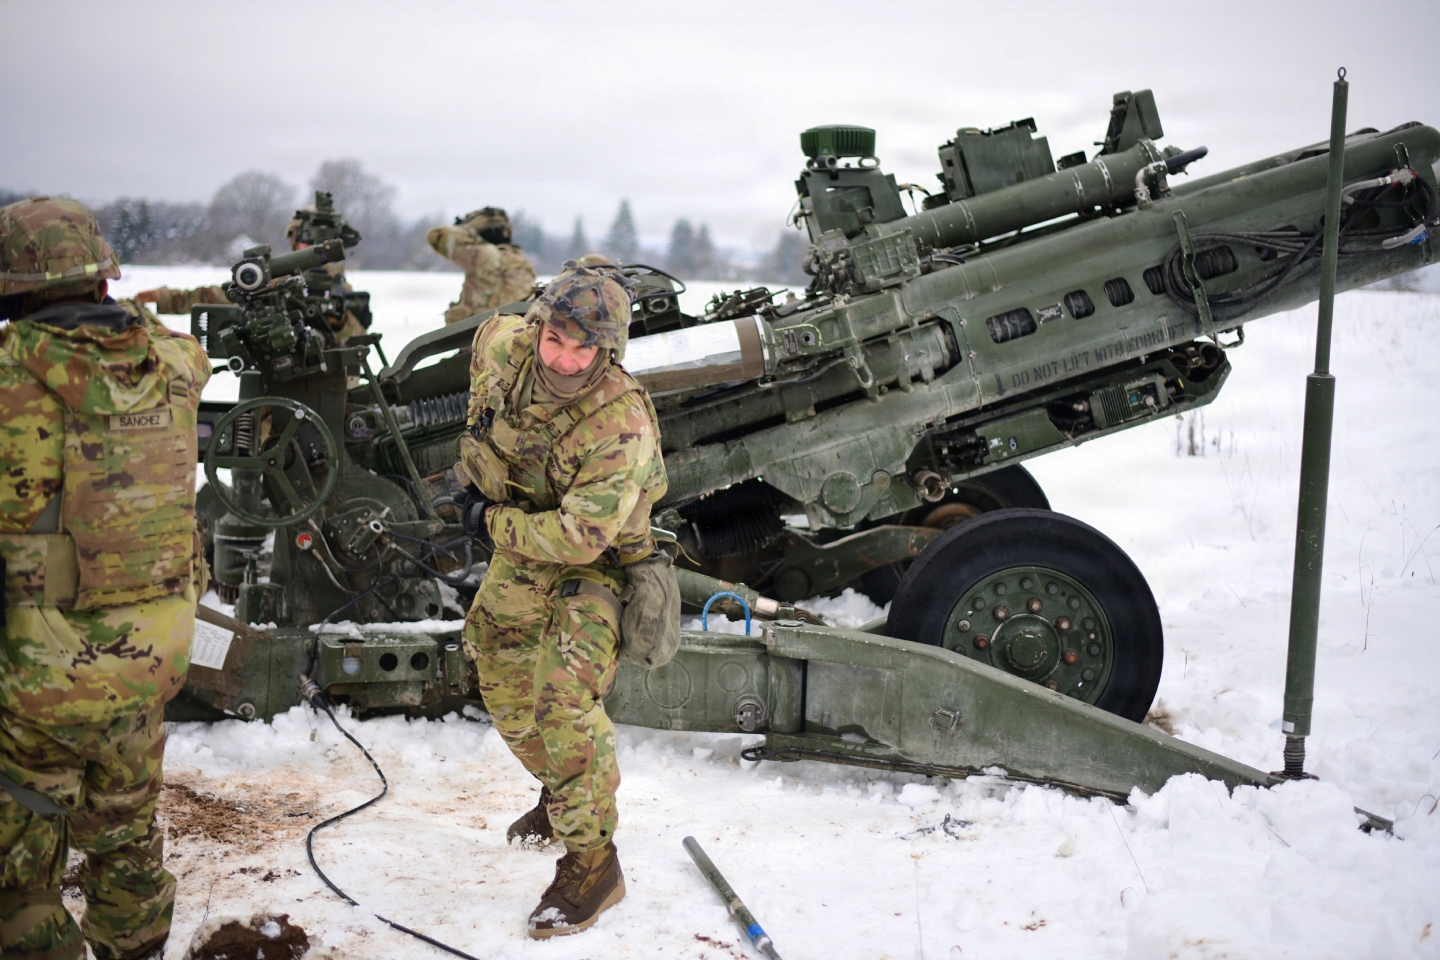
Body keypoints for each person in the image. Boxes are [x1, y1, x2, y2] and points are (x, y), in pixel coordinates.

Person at [0, 197, 210, 960]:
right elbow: (177, 344)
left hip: (41, 672)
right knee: (125, 834)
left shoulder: (11, 374)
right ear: (101, 279)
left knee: (18, 873)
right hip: (152, 655)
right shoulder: (174, 364)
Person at [454, 261, 664, 937]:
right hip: (527, 542)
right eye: (556, 340)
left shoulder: (619, 421)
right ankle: (565, 790)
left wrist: (487, 520)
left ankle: (593, 864)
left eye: (583, 349)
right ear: (539, 326)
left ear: (609, 350)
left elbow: (579, 537)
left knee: (562, 699)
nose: (565, 360)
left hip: (598, 561)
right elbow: (483, 362)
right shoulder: (505, 346)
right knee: (494, 661)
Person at [136, 200, 368, 343]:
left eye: (315, 241)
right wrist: (165, 298)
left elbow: (359, 342)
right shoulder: (276, 279)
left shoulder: (341, 289)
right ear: (293, 241)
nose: (307, 247)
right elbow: (218, 296)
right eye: (303, 239)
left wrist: (340, 321)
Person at [427, 207, 537, 325]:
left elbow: (436, 236)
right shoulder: (522, 262)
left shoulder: (486, 256)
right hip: (508, 331)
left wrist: (465, 229)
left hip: (478, 332)